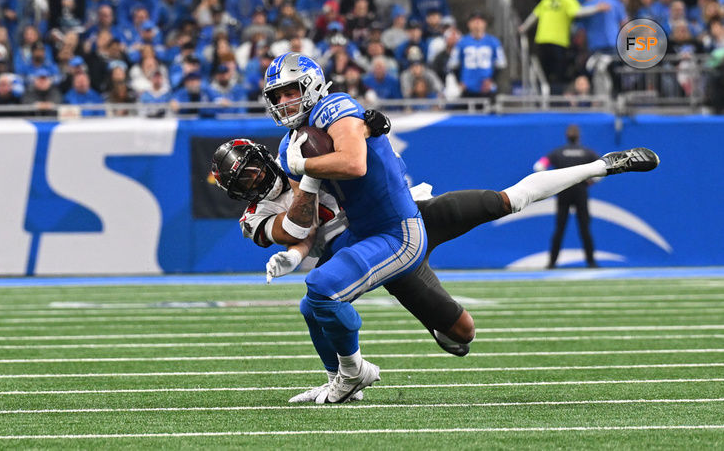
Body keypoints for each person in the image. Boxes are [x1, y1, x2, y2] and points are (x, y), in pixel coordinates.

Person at [212, 125, 660, 404]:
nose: (257, 178)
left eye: (254, 167)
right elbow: (299, 230)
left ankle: (603, 165)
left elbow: (362, 161)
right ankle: (347, 374)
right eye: (246, 180)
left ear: (262, 155)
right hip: (375, 255)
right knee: (461, 337)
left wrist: (371, 131)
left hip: (408, 219)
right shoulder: (258, 215)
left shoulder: (302, 153)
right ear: (240, 194)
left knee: (506, 199)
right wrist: (292, 253)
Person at [259, 52, 428, 404]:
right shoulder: (290, 142)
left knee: (323, 288)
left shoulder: (334, 106)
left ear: (311, 85)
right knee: (311, 305)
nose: (283, 102)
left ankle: (355, 373)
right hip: (362, 230)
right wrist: (294, 252)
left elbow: (354, 163)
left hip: (396, 230)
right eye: (276, 97)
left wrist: (304, 164)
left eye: (290, 92)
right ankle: (339, 379)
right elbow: (308, 216)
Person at [534, 124, 605, 269]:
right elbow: (603, 166)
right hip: (580, 192)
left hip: (563, 193)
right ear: (579, 136)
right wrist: (592, 181)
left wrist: (551, 181)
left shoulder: (558, 152)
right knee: (584, 228)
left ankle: (552, 262)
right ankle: (591, 262)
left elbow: (539, 166)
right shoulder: (587, 152)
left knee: (560, 228)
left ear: (567, 136)